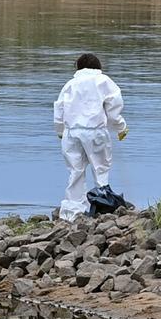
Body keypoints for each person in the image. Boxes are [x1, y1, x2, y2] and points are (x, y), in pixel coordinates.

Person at [53, 53, 127, 221]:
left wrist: (60, 131)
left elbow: (59, 110)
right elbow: (114, 110)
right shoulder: (104, 81)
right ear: (98, 66)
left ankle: (72, 212)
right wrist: (120, 128)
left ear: (78, 67)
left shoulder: (70, 84)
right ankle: (102, 204)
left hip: (71, 133)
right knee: (100, 167)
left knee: (75, 170)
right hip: (95, 131)